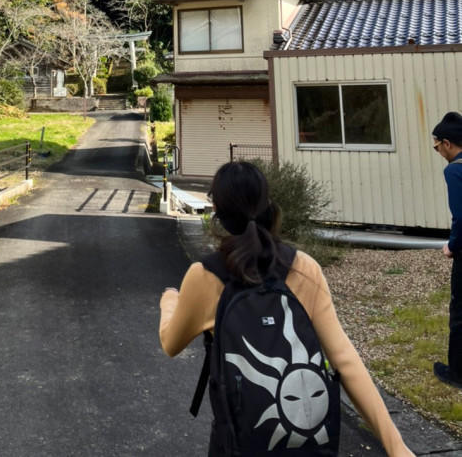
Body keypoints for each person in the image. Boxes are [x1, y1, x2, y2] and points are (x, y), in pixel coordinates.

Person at [158, 161, 414, 457]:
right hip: (305, 445)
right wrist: (397, 448)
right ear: (268, 205)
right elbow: (345, 361)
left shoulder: (205, 275)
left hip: (238, 445)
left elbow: (170, 344)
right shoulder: (304, 267)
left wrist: (170, 299)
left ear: (218, 214)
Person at [432, 110, 462, 390]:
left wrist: (452, 246)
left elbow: (461, 217)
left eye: (436, 145)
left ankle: (457, 373)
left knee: (460, 311)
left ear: (448, 143)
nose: (438, 150)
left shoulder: (454, 170)